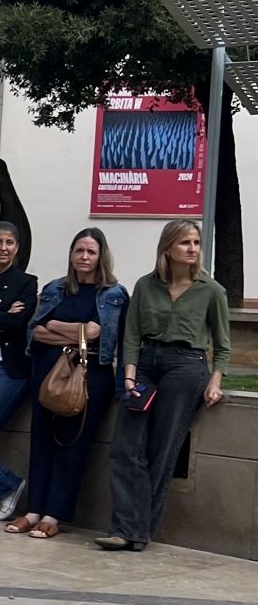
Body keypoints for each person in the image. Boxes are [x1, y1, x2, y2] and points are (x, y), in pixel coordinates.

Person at [97, 219, 230, 552]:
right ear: (167, 248)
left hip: (186, 368)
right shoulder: (145, 285)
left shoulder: (211, 290)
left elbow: (223, 345)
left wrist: (215, 381)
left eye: (196, 243)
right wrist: (128, 372)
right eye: (185, 242)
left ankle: (134, 531)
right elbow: (132, 335)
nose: (192, 249)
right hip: (145, 366)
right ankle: (131, 529)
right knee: (126, 449)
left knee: (162, 450)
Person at [6, 228, 127, 540]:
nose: (84, 257)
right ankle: (33, 510)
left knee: (72, 445)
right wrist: (78, 331)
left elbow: (104, 335)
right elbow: (36, 333)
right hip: (46, 371)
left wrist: (57, 328)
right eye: (79, 251)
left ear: (101, 256)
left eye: (91, 252)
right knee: (41, 441)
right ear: (71, 254)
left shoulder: (113, 294)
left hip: (89, 377)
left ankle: (53, 514)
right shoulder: (54, 288)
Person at [0, 222, 38, 520]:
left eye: (10, 243)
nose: (4, 248)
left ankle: (8, 487)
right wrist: (1, 316)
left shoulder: (27, 282)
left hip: (7, 370)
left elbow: (18, 322)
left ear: (16, 248)